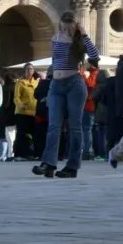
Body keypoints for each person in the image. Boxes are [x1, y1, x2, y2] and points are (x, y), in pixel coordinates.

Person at [33, 12, 98, 179]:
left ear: (76, 26)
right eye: (64, 27)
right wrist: (50, 84)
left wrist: (84, 34)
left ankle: (72, 166)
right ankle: (49, 163)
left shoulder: (79, 41)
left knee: (75, 127)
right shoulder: (55, 38)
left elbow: (95, 56)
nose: (66, 31)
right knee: (54, 125)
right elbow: (55, 61)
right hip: (56, 84)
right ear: (60, 25)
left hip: (74, 84)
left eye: (70, 28)